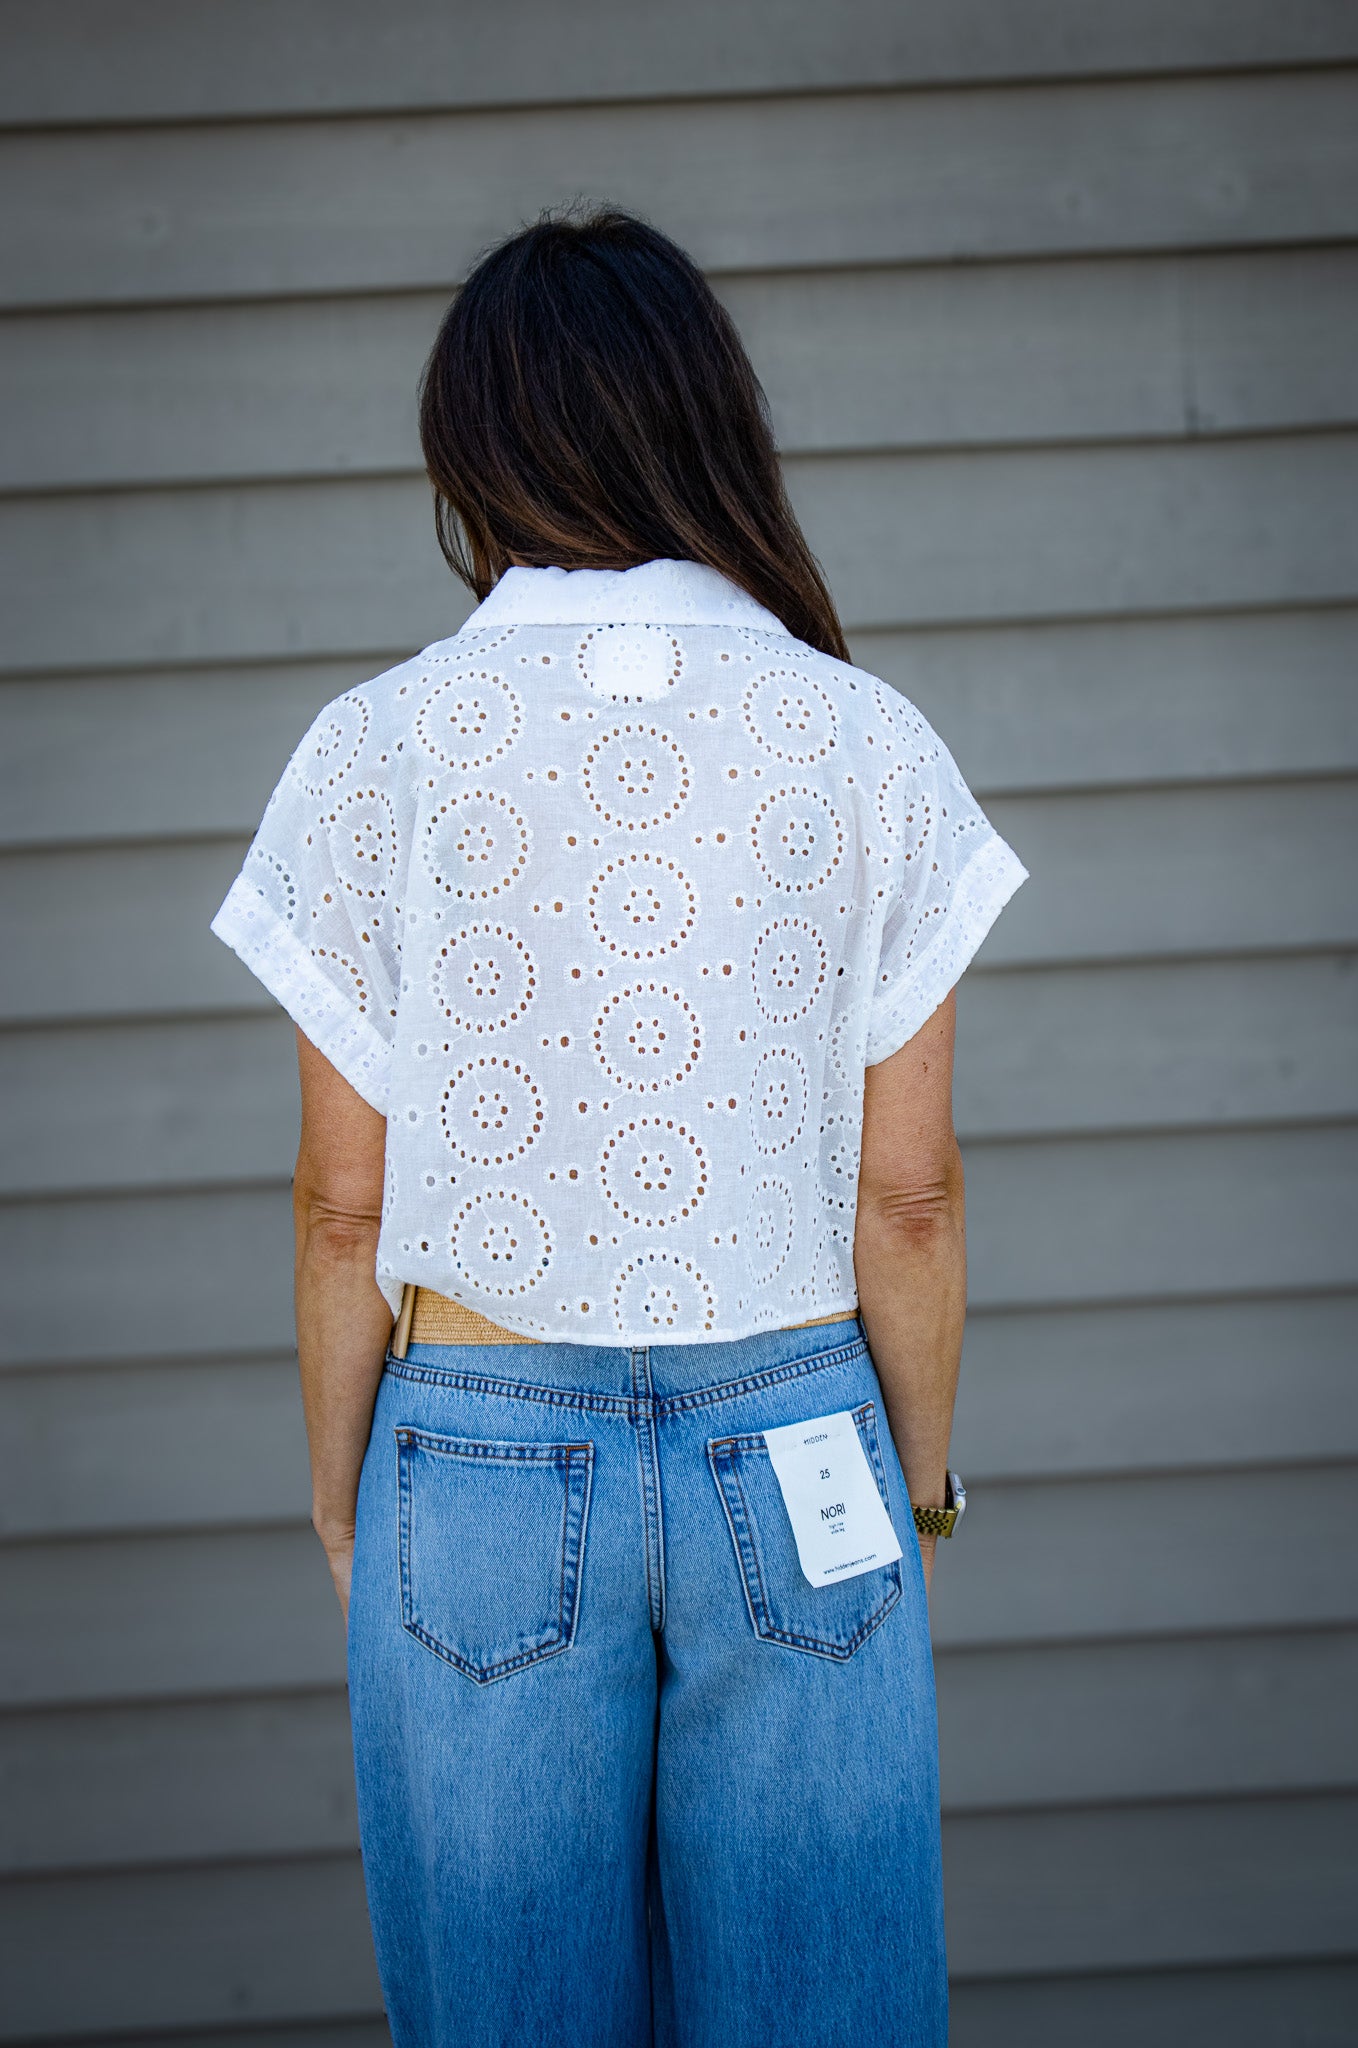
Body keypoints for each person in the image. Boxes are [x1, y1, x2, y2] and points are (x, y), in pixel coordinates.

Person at [211, 206, 1029, 2048]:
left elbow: (346, 1210)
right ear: (708, 425)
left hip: (472, 1448)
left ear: (475, 451)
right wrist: (915, 1484)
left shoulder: (378, 746)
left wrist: (351, 1490)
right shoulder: (864, 741)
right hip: (796, 1424)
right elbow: (905, 1197)